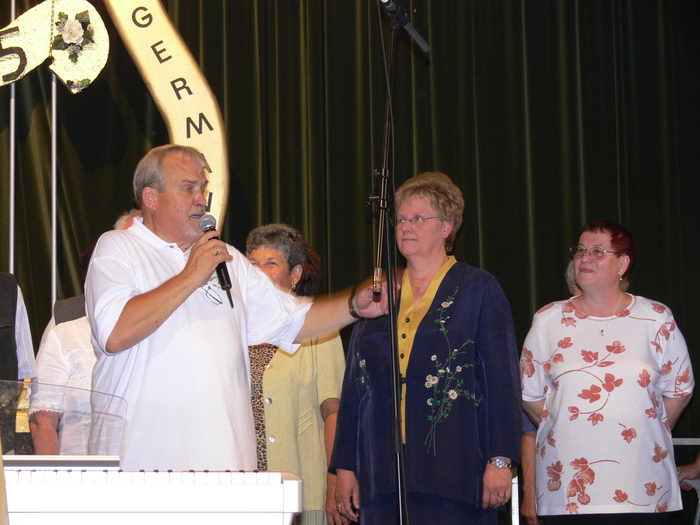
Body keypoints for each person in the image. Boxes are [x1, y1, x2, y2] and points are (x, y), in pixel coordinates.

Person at [85, 144, 385, 471]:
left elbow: (295, 319)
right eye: (188, 188)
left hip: (226, 471)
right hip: (142, 468)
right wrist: (191, 275)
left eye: (203, 189)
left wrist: (354, 304)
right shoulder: (119, 247)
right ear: (151, 197)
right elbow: (115, 333)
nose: (201, 199)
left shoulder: (226, 258)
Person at [332, 172, 522, 524]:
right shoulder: (378, 292)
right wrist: (345, 466)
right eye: (401, 219)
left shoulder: (478, 288)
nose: (406, 226)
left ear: (447, 226)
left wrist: (501, 459)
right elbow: (355, 387)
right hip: (381, 476)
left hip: (456, 475)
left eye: (418, 218)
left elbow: (502, 382)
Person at [521, 219, 693, 523]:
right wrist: (568, 426)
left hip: (643, 488)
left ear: (622, 264)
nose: (585, 258)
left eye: (598, 251)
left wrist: (644, 425)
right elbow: (530, 395)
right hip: (569, 495)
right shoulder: (548, 319)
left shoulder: (655, 318)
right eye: (581, 250)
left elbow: (679, 388)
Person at [246, 223, 346, 525]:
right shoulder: (232, 329)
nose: (259, 273)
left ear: (295, 275)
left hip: (301, 490)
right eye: (252, 265)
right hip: (243, 492)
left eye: (271, 263)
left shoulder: (316, 326)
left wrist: (334, 486)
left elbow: (334, 412)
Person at [30, 211, 138, 455]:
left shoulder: (167, 332)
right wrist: (52, 483)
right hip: (80, 479)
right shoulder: (67, 334)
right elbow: (43, 421)